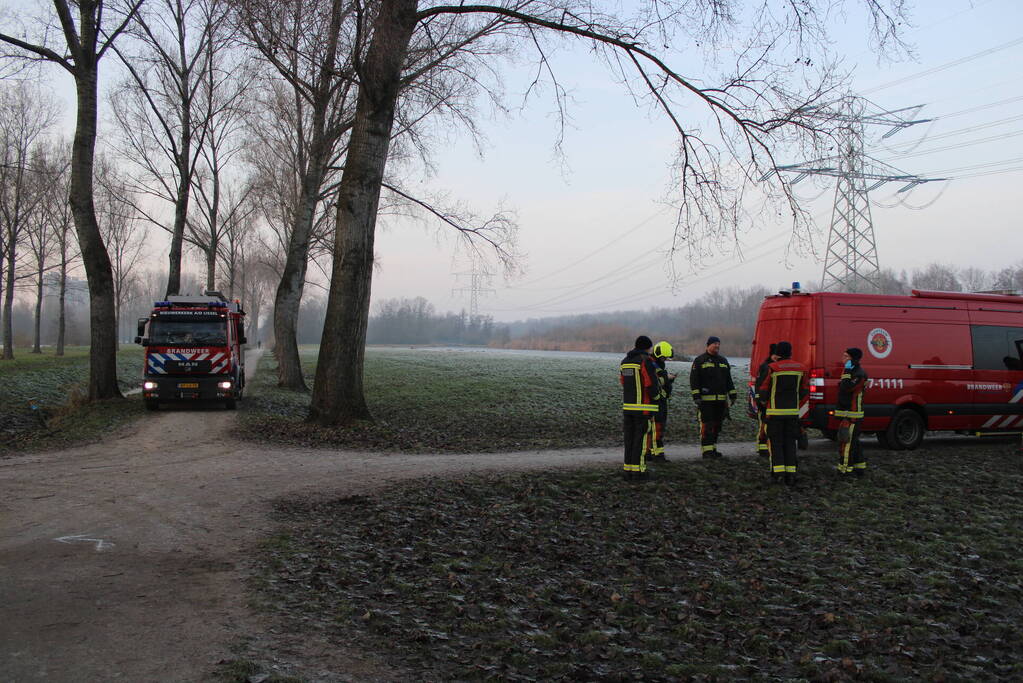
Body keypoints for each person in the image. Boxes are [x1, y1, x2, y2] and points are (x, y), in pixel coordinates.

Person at [758, 340, 809, 485]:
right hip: (793, 414)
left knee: (776, 444)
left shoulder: (772, 368)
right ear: (790, 352)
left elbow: (763, 390)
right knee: (790, 443)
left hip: (774, 414)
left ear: (778, 353)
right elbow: (804, 391)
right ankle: (791, 474)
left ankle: (778, 474)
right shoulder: (801, 368)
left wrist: (763, 403)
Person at [619, 335, 663, 479]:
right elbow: (650, 383)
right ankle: (639, 471)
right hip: (643, 408)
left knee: (629, 439)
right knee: (642, 439)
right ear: (647, 347)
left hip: (628, 407)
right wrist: (657, 398)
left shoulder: (625, 362)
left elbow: (623, 381)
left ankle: (628, 470)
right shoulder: (646, 361)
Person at [689, 336, 737, 458]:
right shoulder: (700, 360)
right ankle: (707, 451)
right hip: (706, 401)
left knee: (717, 425)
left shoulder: (723, 361)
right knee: (707, 425)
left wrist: (732, 394)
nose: (717, 346)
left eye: (718, 344)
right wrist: (696, 396)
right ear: (708, 345)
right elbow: (694, 380)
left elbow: (728, 380)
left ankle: (713, 448)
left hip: (721, 401)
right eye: (714, 344)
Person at [835, 347, 869, 477]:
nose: (843, 359)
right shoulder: (850, 371)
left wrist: (847, 371)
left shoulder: (859, 374)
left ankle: (845, 469)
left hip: (853, 414)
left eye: (846, 356)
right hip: (847, 412)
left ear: (852, 359)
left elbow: (846, 387)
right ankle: (859, 467)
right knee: (854, 441)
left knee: (847, 442)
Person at [644, 341, 677, 462]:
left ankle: (649, 452)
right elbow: (655, 382)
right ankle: (658, 454)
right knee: (657, 428)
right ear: (659, 355)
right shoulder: (652, 365)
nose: (665, 360)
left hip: (658, 401)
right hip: (657, 402)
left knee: (652, 429)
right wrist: (667, 379)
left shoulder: (654, 364)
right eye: (664, 357)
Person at [752, 343, 779, 457]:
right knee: (764, 425)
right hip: (765, 401)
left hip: (773, 402)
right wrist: (760, 400)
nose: (777, 357)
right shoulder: (765, 366)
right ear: (771, 355)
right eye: (775, 355)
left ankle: (767, 446)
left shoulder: (776, 366)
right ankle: (762, 448)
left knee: (771, 426)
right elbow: (759, 385)